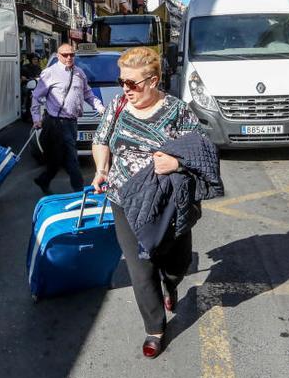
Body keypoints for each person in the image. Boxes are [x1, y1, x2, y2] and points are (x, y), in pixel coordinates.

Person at [90, 47, 212, 359]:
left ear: (154, 80)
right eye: (122, 82)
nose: (125, 89)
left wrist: (175, 163)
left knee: (176, 263)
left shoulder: (177, 111)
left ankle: (171, 285)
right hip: (125, 199)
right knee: (140, 269)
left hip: (168, 202)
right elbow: (101, 140)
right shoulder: (117, 105)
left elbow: (201, 152)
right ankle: (155, 329)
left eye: (132, 83)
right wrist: (102, 170)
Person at [31, 43, 104, 194]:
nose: (69, 57)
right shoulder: (49, 73)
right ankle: (79, 191)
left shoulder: (79, 73)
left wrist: (99, 107)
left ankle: (43, 180)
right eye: (65, 55)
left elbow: (88, 94)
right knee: (71, 156)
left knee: (58, 157)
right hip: (56, 123)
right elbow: (36, 97)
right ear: (58, 56)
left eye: (72, 54)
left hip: (72, 123)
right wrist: (36, 118)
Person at [20, 54, 42, 121]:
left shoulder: (38, 68)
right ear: (30, 60)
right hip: (27, 85)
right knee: (27, 93)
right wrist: (26, 79)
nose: (35, 61)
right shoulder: (25, 67)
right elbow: (22, 77)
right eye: (34, 59)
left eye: (36, 59)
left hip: (37, 86)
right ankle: (24, 110)